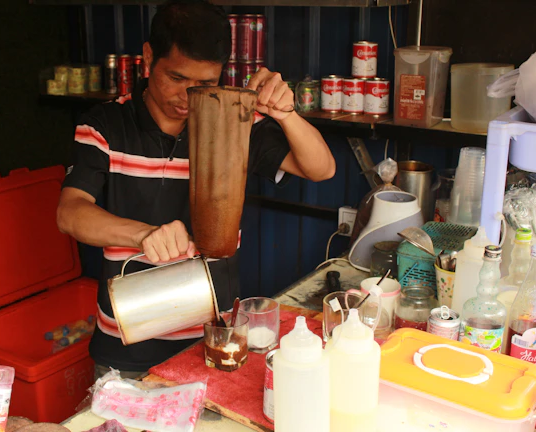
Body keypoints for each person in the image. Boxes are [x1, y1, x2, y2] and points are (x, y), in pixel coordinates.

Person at [56, 0, 335, 376]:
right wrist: (145, 235)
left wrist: (286, 115)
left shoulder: (235, 120)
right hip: (126, 341)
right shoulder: (106, 124)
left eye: (204, 83)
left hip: (212, 339)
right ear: (148, 57)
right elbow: (70, 212)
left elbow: (321, 169)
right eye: (176, 78)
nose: (187, 96)